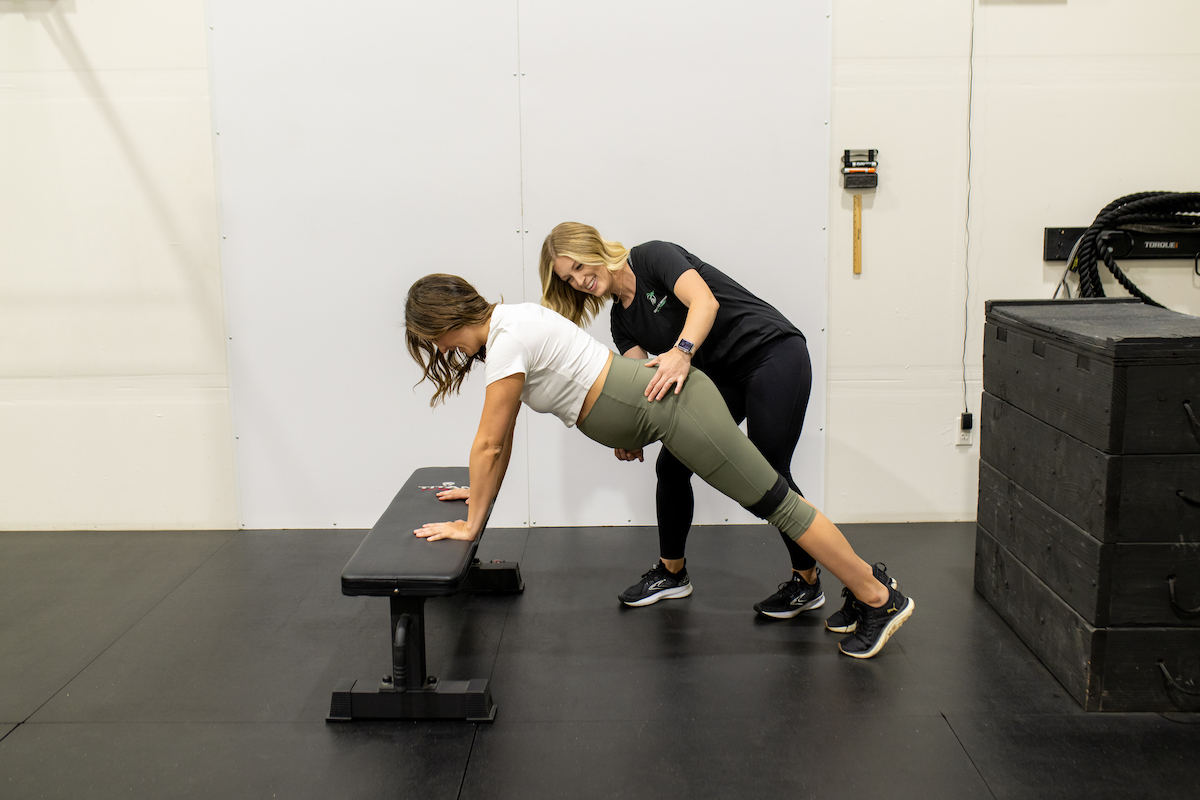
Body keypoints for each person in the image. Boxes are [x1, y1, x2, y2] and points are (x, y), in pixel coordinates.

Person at [404, 273, 913, 659]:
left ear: (442, 322)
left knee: (779, 503)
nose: (441, 350)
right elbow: (501, 438)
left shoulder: (508, 339)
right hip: (668, 411)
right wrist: (479, 494)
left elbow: (489, 444)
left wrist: (471, 525)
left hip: (677, 410)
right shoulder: (511, 324)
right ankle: (867, 588)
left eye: (434, 340)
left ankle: (878, 597)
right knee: (777, 501)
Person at [538, 222, 841, 623]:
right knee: (671, 466)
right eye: (568, 278)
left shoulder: (650, 257)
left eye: (578, 266)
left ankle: (807, 580)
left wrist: (681, 352)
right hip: (725, 380)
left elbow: (704, 302)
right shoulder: (621, 323)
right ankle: (672, 573)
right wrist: (629, 433)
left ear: (593, 248)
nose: (579, 281)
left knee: (769, 471)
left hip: (771, 352)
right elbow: (640, 387)